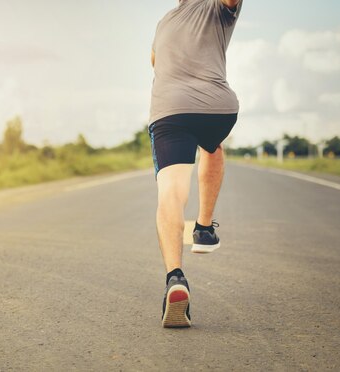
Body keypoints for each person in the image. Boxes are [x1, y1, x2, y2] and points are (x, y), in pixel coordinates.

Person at [148, 0, 243, 327]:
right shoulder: (219, 7)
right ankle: (203, 229)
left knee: (171, 194)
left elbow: (154, 61)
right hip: (218, 108)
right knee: (212, 146)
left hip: (171, 110)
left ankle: (175, 277)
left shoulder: (165, 22)